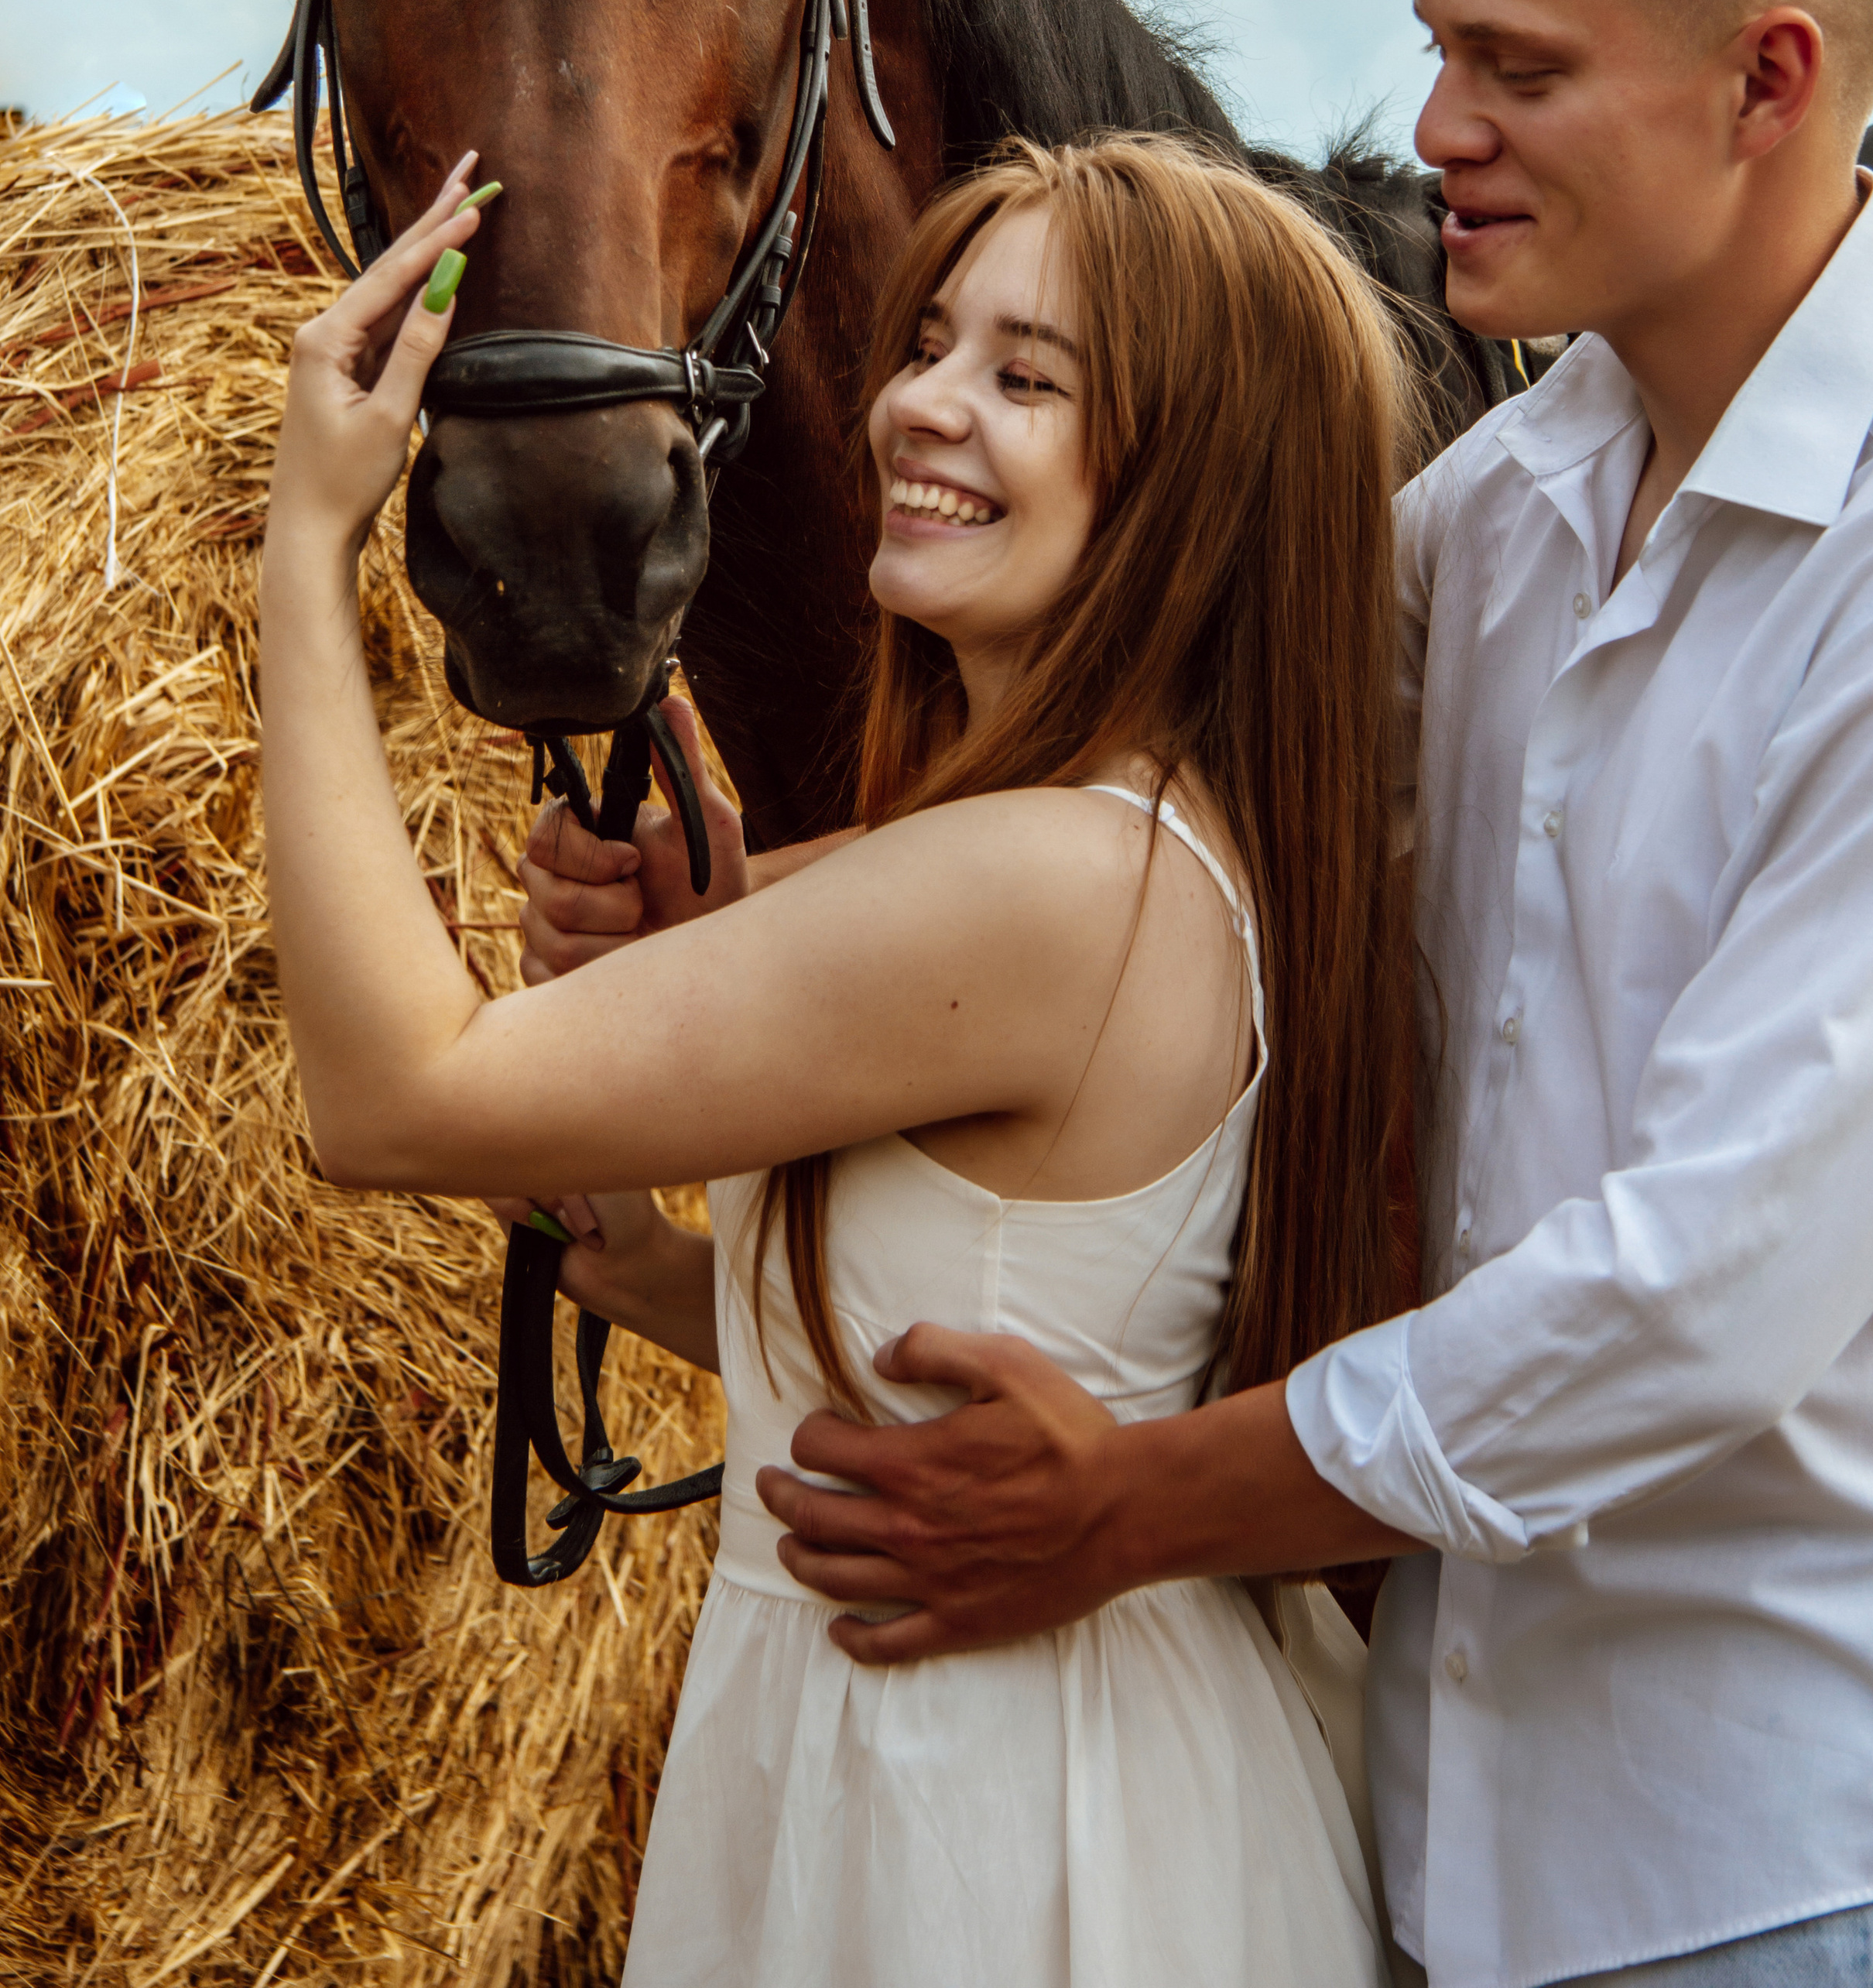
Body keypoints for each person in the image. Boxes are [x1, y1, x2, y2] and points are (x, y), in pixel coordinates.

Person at [733, 0, 1873, 1988]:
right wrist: (726, 923)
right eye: (1436, 53)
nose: (1436, 135)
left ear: (1768, 79)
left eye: (1516, 70)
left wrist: (1130, 1510)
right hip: (1427, 1828)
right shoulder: (1500, 513)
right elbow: (1167, 823)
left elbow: (1707, 1294)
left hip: (1780, 1869)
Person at [259, 130, 1424, 1988]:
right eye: (934, 342)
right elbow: (885, 1381)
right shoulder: (1101, 838)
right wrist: (637, 1197)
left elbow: (387, 1095)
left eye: (1026, 379)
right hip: (940, 1756)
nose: (920, 409)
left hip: (994, 1823)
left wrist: (307, 553)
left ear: (1189, 489)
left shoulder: (1049, 881)